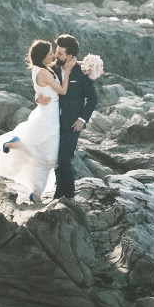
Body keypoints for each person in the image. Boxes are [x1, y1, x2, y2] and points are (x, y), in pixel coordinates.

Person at [0, 38, 65, 204]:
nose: (53, 55)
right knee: (50, 158)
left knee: (45, 158)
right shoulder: (44, 72)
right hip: (49, 117)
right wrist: (67, 74)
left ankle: (36, 193)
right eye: (50, 53)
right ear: (42, 56)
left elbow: (41, 88)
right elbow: (62, 90)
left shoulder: (40, 69)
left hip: (46, 112)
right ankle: (19, 145)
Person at [51, 34, 98, 199]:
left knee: (65, 158)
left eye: (60, 53)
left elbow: (93, 98)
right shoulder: (54, 69)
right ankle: (58, 194)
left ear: (70, 55)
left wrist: (82, 119)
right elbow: (41, 87)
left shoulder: (81, 73)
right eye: (57, 52)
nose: (56, 55)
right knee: (56, 160)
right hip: (53, 121)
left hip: (73, 123)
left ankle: (69, 196)